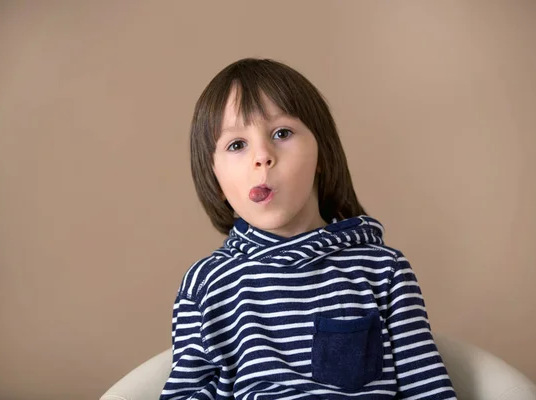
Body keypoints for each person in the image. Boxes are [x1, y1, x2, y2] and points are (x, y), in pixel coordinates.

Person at [160, 58, 456, 400]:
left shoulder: (383, 271)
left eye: (281, 133)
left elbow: (428, 390)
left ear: (322, 156)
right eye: (236, 145)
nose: (262, 157)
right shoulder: (207, 285)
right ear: (216, 179)